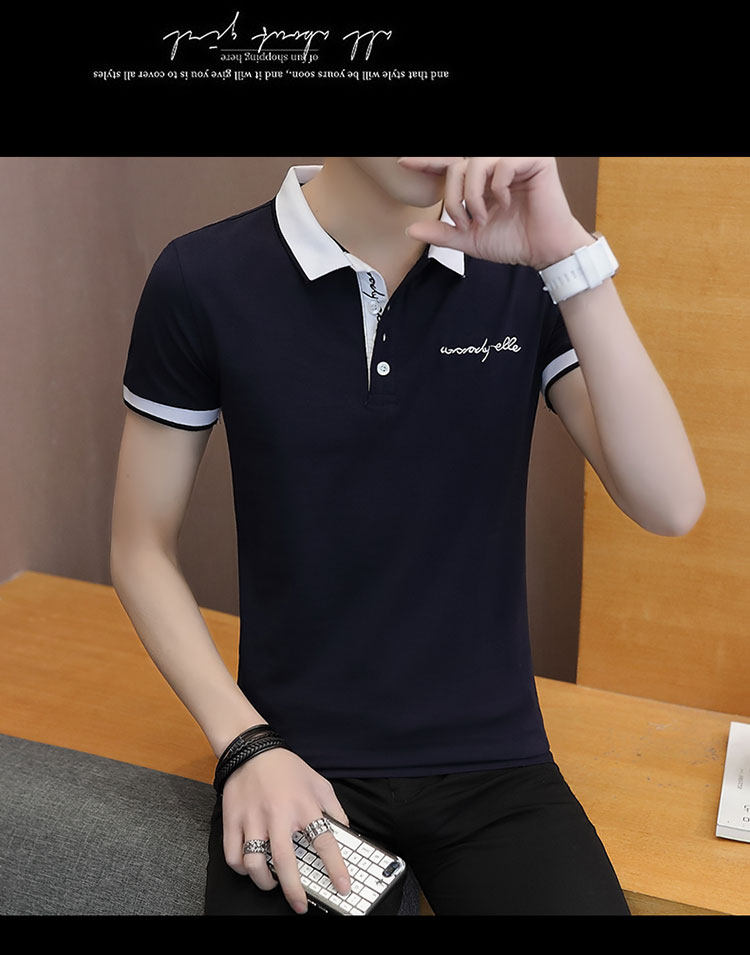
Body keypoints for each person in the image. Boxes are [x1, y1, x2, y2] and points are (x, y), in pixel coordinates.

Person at [110, 157, 705, 916]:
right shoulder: (202, 277)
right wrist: (245, 744)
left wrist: (566, 258)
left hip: (497, 768)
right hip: (300, 761)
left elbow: (670, 505)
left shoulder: (524, 274)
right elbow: (140, 548)